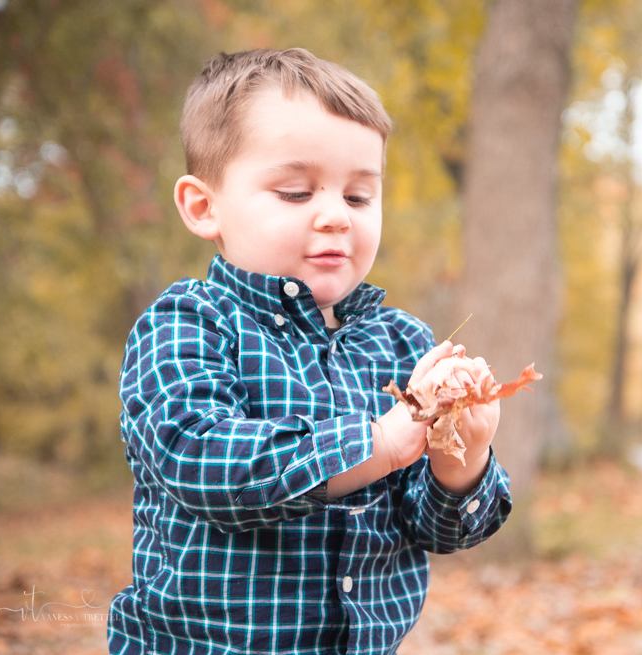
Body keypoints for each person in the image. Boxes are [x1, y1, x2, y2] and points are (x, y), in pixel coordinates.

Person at [107, 48, 512, 655]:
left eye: (359, 197)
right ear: (204, 207)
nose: (335, 217)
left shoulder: (404, 343)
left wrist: (462, 454)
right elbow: (201, 463)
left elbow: (437, 529)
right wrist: (379, 444)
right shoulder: (189, 325)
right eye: (296, 193)